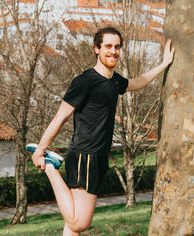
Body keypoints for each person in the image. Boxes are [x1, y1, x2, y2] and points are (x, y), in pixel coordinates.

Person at [26, 26, 174, 236]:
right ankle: (51, 166)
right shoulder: (85, 81)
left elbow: (137, 82)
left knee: (71, 225)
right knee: (79, 223)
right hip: (85, 156)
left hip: (99, 157)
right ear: (96, 48)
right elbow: (61, 116)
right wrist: (41, 150)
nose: (113, 51)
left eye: (117, 47)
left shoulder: (114, 81)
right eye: (107, 46)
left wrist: (164, 64)